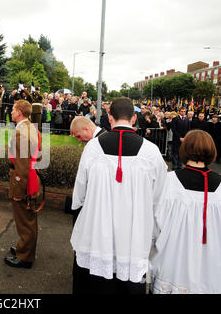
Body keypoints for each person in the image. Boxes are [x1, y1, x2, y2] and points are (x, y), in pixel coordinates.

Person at [70, 97, 167, 294]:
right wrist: (155, 233)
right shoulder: (152, 152)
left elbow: (80, 193)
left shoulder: (93, 148)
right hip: (134, 234)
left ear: (109, 117)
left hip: (98, 233)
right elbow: (159, 200)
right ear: (133, 118)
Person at [150, 130, 221, 294]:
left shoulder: (168, 182)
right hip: (212, 268)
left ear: (184, 149)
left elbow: (154, 225)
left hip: (174, 264)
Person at [4, 100, 42, 269]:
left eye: (12, 109)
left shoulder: (21, 133)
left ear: (19, 111)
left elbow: (22, 164)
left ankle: (25, 256)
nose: (11, 112)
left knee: (25, 219)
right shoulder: (31, 127)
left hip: (25, 179)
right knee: (28, 218)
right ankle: (24, 248)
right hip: (32, 176)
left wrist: (20, 188)